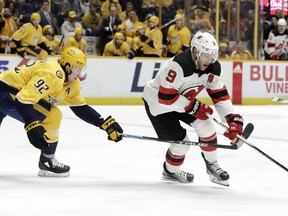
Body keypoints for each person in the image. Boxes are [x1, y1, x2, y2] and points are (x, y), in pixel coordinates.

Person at [0, 46, 123, 177]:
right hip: (7, 93)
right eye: (77, 69)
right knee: (53, 115)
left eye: (82, 69)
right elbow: (23, 100)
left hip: (6, 91)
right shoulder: (53, 74)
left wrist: (103, 123)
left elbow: (80, 107)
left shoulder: (71, 82)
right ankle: (47, 160)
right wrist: (31, 124)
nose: (80, 74)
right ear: (68, 66)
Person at [142, 30, 244, 186]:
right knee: (181, 144)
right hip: (158, 104)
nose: (210, 60)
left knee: (207, 125)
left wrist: (231, 118)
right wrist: (193, 105)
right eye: (206, 56)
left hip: (182, 102)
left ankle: (212, 166)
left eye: (213, 56)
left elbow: (220, 94)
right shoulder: (179, 65)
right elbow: (166, 98)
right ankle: (170, 172)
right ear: (195, 51)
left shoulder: (213, 68)